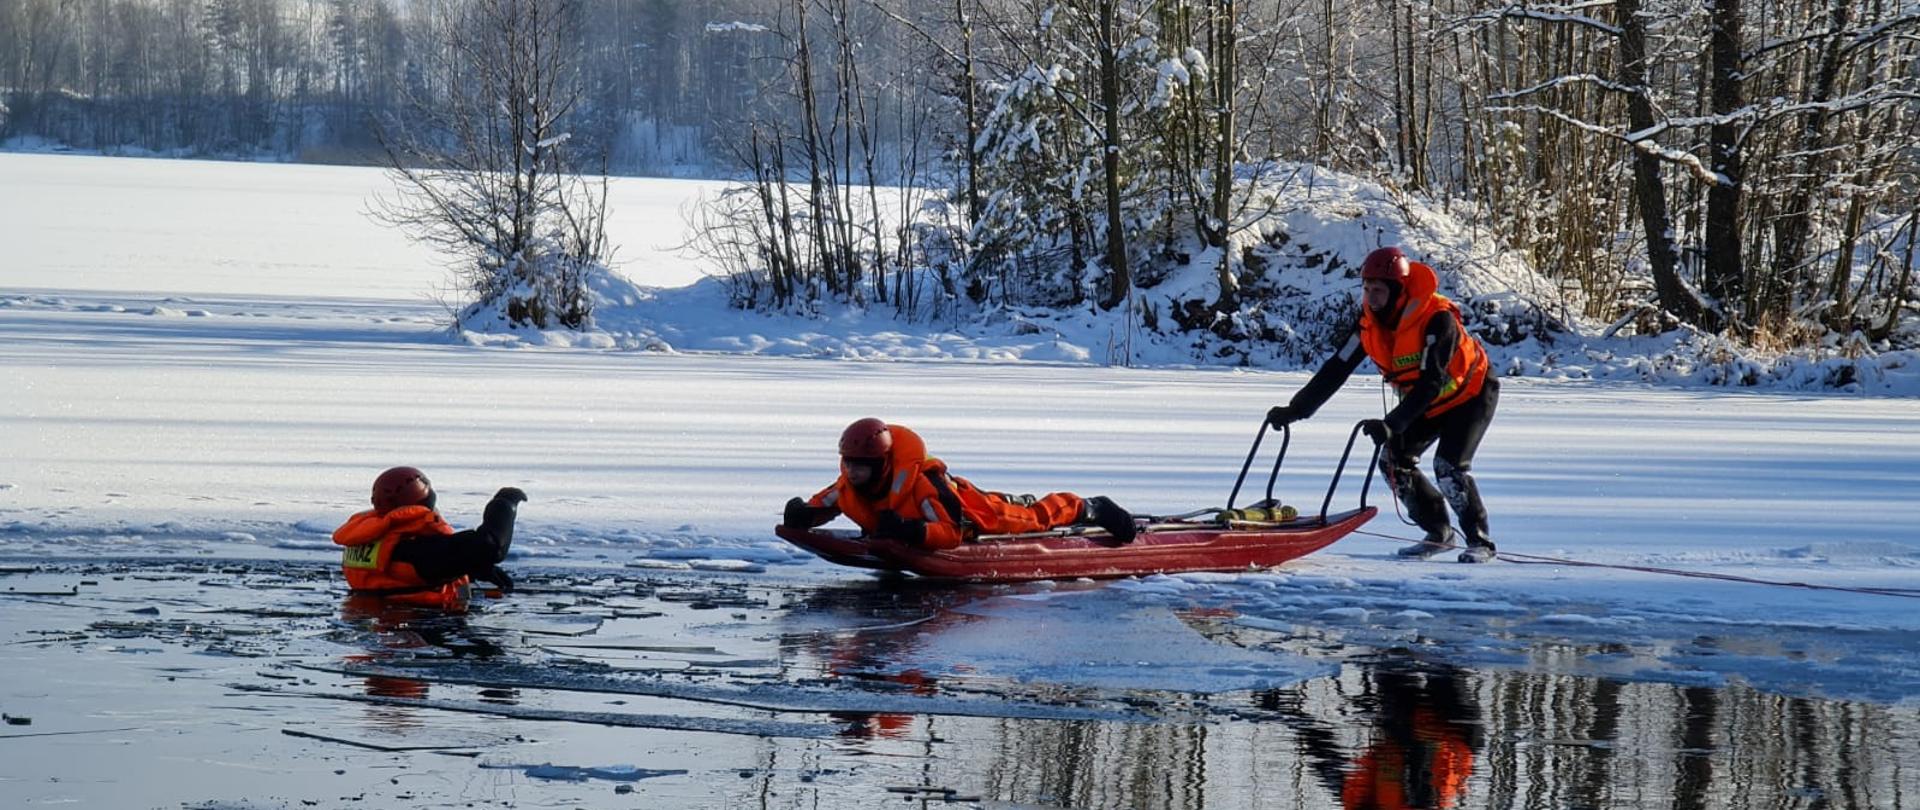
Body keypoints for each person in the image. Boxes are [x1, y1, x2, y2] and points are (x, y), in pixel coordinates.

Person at [1265, 246, 1499, 563]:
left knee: (1448, 466)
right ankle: (1438, 533)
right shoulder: (1367, 324)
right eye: (1366, 288)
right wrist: (1297, 410)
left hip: (1471, 395)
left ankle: (1480, 541)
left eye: (1378, 290)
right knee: (1393, 461)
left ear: (1399, 292)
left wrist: (1393, 424)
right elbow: (1337, 367)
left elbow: (1432, 380)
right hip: (1426, 402)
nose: (1371, 296)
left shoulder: (1436, 320)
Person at [782, 418, 1138, 548]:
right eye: (849, 464)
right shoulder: (847, 484)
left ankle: (1091, 506)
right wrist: (802, 516)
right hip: (937, 511)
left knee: (1030, 517)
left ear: (883, 463)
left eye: (863, 465)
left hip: (970, 513)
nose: (854, 472)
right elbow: (825, 504)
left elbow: (951, 532)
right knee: (1015, 502)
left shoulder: (920, 486)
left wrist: (910, 531)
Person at [333, 466, 526, 610]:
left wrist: (470, 569)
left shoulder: (372, 536)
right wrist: (504, 505)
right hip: (420, 628)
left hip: (375, 619)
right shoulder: (417, 550)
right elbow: (489, 546)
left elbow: (397, 577)